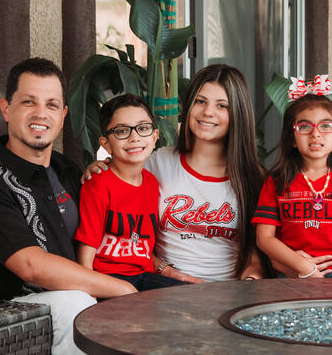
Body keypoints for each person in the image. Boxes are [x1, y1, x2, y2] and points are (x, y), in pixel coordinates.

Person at [0, 57, 130, 355]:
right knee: (74, 303)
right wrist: (121, 290)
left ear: (64, 114)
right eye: (28, 102)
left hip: (74, 293)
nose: (41, 113)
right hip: (2, 309)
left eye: (51, 104)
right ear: (7, 109)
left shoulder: (68, 170)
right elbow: (30, 265)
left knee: (149, 301)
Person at [85, 63, 269, 283]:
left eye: (222, 106)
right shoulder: (158, 163)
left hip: (227, 294)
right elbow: (125, 233)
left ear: (238, 113)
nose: (208, 112)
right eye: (200, 101)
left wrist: (251, 281)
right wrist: (100, 165)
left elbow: (256, 257)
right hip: (162, 290)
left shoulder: (254, 178)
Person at [74, 93, 184, 355]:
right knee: (146, 330)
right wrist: (90, 302)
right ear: (105, 143)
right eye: (121, 131)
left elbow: (144, 249)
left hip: (143, 279)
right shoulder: (98, 184)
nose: (134, 137)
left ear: (155, 136)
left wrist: (170, 273)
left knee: (201, 303)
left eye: (142, 128)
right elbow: (85, 259)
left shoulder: (151, 184)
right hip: (110, 283)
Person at [253, 82, 332, 278]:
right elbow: (264, 238)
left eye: (326, 126)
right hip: (292, 271)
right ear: (292, 139)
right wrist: (304, 267)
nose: (315, 133)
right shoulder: (277, 180)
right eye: (304, 126)